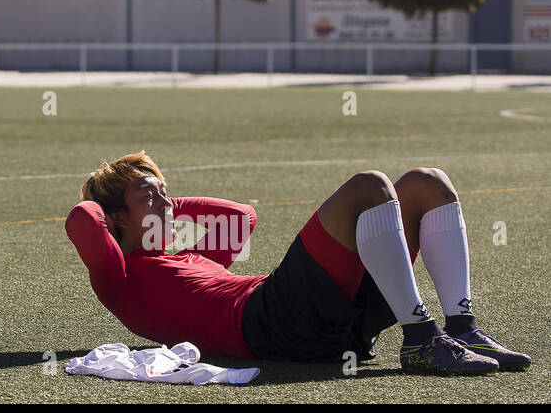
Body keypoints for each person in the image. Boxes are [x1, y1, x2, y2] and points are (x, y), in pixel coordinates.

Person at [65, 150, 531, 374]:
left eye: (166, 192)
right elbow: (81, 220)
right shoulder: (119, 275)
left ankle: (462, 326)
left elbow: (241, 217)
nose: (165, 202)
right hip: (270, 321)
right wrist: (115, 208)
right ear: (118, 218)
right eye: (149, 196)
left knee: (427, 181)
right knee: (368, 187)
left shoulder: (190, 252)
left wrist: (165, 202)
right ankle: (421, 339)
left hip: (327, 324)